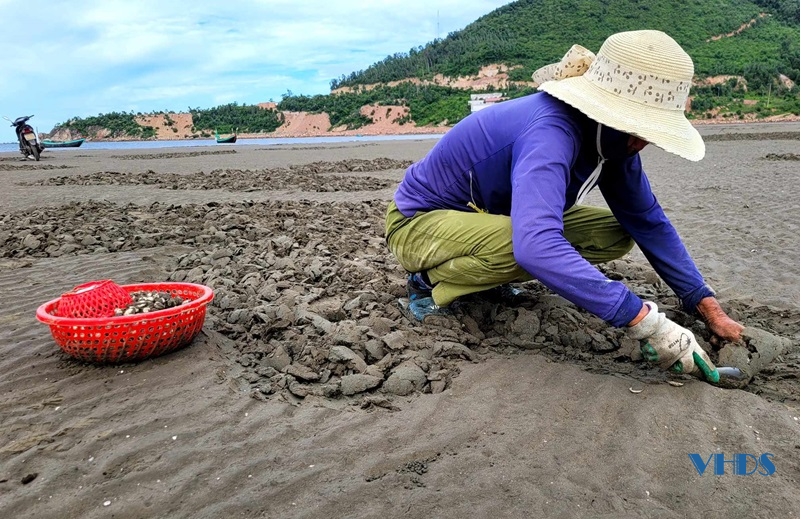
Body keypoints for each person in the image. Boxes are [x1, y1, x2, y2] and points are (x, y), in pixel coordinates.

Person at [384, 30, 745, 383]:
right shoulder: (552, 132)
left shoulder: (615, 143)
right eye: (641, 127)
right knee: (528, 245)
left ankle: (487, 277)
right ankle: (427, 281)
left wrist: (706, 305)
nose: (643, 141)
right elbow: (536, 245)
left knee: (615, 235)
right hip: (418, 225)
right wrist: (646, 322)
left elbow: (647, 221)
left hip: (487, 221)